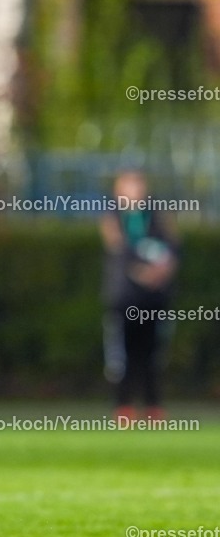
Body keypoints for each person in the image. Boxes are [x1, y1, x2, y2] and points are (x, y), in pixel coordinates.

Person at [100, 170, 178, 423]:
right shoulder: (113, 219)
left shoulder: (157, 217)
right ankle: (123, 408)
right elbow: (119, 251)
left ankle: (154, 408)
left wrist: (160, 272)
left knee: (152, 354)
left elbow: (173, 248)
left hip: (155, 299)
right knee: (122, 356)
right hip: (124, 299)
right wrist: (141, 272)